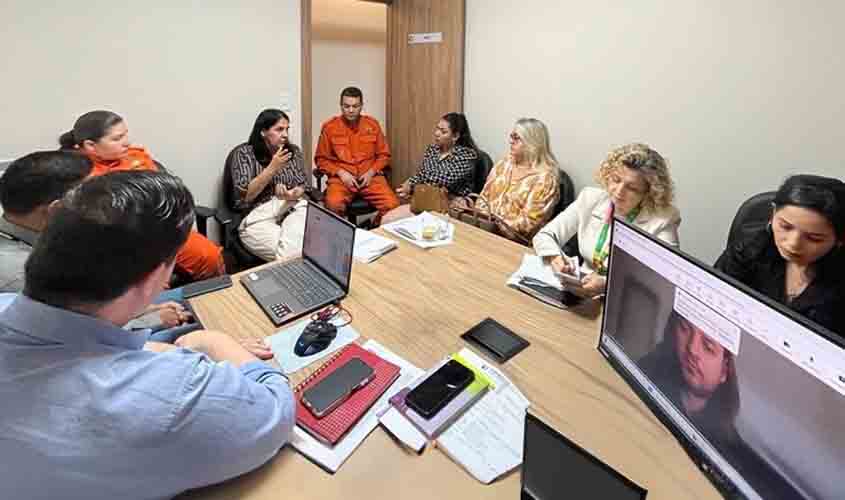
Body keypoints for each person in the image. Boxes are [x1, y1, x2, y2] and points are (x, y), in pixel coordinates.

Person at [0, 171, 293, 499]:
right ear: (158, 276)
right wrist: (214, 342)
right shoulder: (174, 397)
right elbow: (276, 409)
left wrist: (161, 347)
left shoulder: (7, 302)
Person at [0, 151, 198, 338]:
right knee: (197, 327)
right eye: (91, 195)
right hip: (81, 346)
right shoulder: (18, 275)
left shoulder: (29, 228)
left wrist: (146, 308)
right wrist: (153, 319)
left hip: (97, 315)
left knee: (199, 295)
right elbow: (74, 335)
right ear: (55, 209)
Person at [638, 310, 802, 498]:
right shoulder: (650, 367)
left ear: (725, 370)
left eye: (708, 346)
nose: (692, 348)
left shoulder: (731, 452)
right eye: (684, 328)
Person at [59, 110, 224, 280]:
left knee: (209, 256)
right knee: (147, 287)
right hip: (125, 244)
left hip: (163, 228)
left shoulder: (135, 156)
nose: (127, 143)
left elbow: (165, 192)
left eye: (125, 135)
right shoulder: (78, 175)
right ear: (90, 145)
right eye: (117, 139)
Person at [533, 143, 680, 295]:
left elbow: (666, 280)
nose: (619, 191)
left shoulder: (663, 221)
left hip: (624, 300)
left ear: (648, 193)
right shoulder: (590, 198)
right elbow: (544, 236)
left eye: (632, 188)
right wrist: (555, 257)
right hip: (578, 290)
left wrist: (606, 284)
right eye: (616, 180)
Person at [715, 175, 845, 336]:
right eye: (785, 227)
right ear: (773, 213)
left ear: (840, 240)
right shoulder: (750, 247)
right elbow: (714, 296)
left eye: (813, 238)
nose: (793, 244)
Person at [228, 109, 309, 261]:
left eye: (287, 129)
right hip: (258, 214)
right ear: (263, 132)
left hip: (291, 207)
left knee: (315, 243)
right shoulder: (244, 154)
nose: (285, 134)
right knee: (296, 253)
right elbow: (246, 196)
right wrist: (273, 167)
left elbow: (302, 184)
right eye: (279, 129)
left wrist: (294, 193)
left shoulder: (293, 151)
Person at [315, 86, 399, 222]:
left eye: (355, 106)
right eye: (346, 106)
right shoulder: (330, 127)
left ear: (361, 106)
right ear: (341, 106)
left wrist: (371, 172)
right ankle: (344, 237)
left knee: (392, 205)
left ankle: (375, 229)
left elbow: (384, 155)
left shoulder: (372, 125)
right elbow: (321, 159)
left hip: (370, 177)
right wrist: (340, 173)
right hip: (342, 179)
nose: (351, 110)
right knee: (333, 204)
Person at [382, 112, 478, 224]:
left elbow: (445, 179)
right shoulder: (432, 149)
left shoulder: (466, 155)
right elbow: (422, 174)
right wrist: (408, 185)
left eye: (443, 131)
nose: (437, 133)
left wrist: (413, 183)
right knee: (387, 220)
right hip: (427, 199)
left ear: (455, 136)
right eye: (437, 128)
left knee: (426, 226)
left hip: (452, 204)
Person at [476, 118, 560, 243]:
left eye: (516, 138)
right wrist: (481, 217)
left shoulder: (545, 179)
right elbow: (483, 198)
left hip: (514, 243)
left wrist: (494, 223)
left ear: (532, 142)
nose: (510, 141)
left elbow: (528, 223)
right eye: (511, 136)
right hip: (485, 230)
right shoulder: (504, 163)